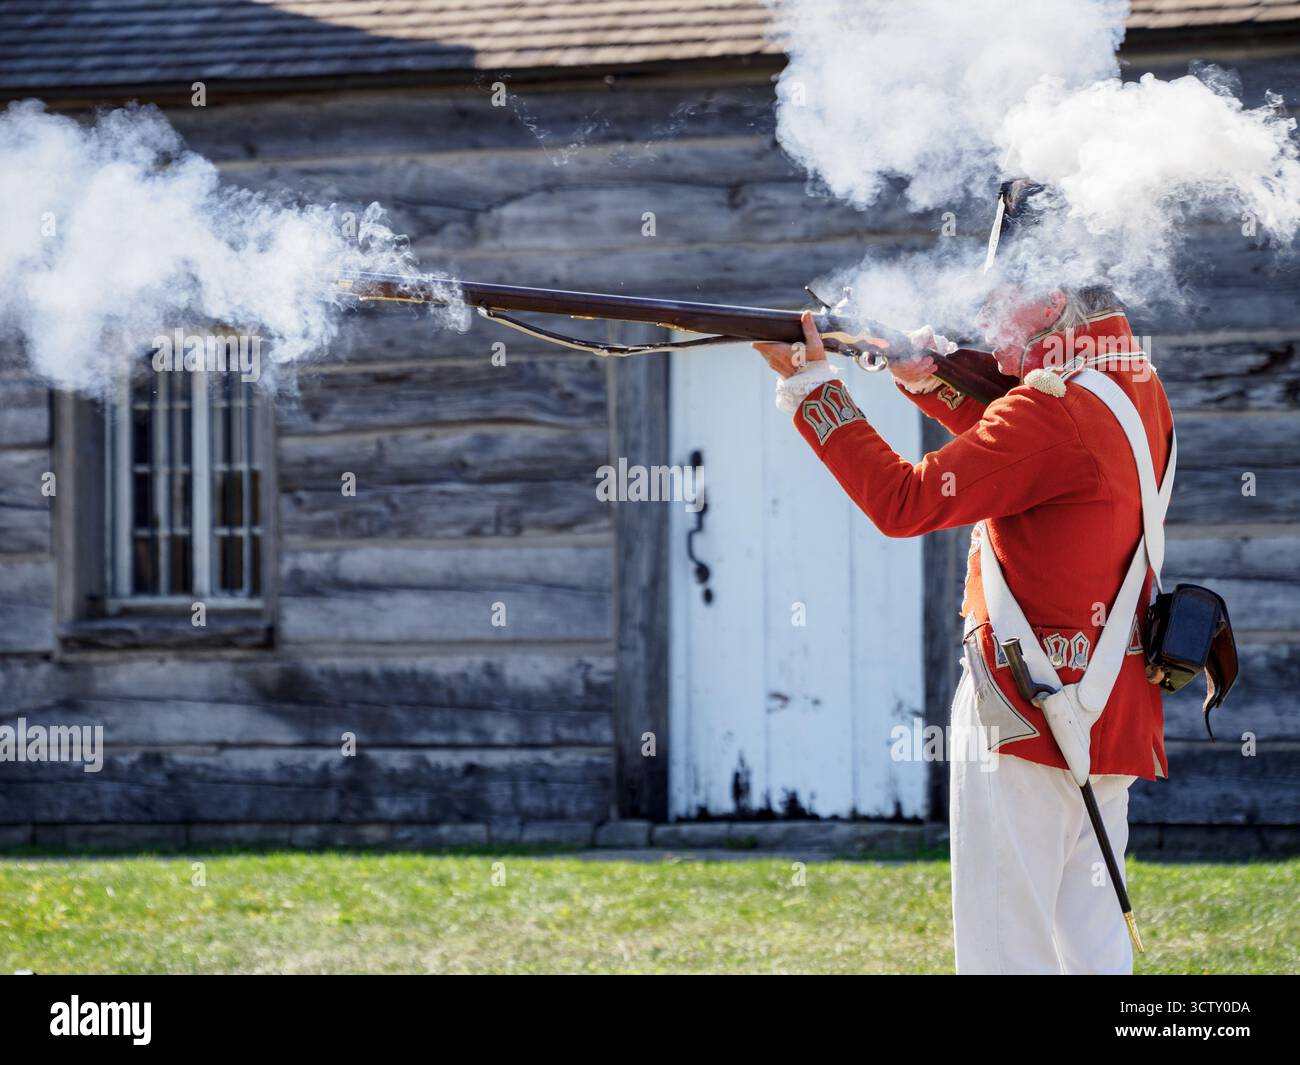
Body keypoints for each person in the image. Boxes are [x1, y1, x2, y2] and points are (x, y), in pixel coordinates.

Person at [753, 198, 1174, 973]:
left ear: (1049, 302)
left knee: (1003, 950)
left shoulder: (1059, 410)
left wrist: (814, 388)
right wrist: (928, 373)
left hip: (1028, 712)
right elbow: (1024, 442)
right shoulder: (1128, 380)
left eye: (998, 293)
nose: (983, 312)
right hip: (1103, 704)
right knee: (1086, 943)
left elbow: (906, 501)